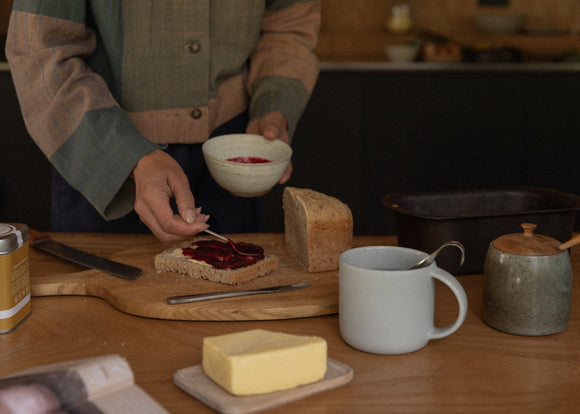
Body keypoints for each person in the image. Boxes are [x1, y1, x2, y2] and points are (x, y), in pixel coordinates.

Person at [5, 1, 320, 244]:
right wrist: (129, 158)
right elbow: (41, 51)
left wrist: (275, 104)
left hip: (233, 158)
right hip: (103, 165)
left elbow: (288, 22)